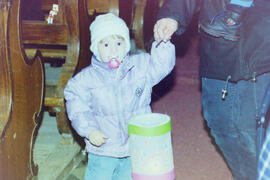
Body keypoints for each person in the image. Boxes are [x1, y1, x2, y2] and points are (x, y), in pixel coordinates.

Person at [154, 0, 270, 179]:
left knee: (252, 130)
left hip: (260, 46)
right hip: (218, 40)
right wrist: (172, 14)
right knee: (219, 123)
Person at [64, 13, 175, 180]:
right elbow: (77, 106)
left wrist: (163, 44)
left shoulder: (140, 67)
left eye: (119, 43)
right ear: (96, 48)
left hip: (135, 144)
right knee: (99, 175)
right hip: (104, 146)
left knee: (129, 176)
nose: (114, 49)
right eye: (106, 44)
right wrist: (89, 130)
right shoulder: (86, 80)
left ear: (126, 45)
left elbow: (161, 66)